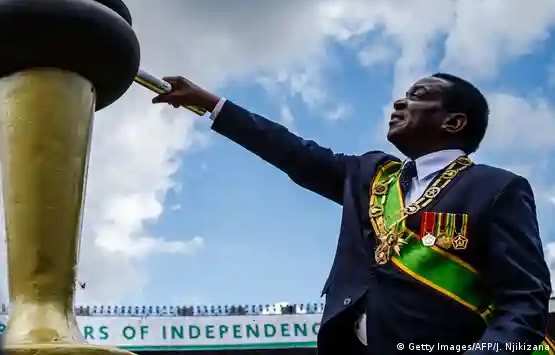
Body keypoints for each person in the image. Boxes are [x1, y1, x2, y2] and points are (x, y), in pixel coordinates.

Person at [153, 73, 552, 354]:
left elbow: (525, 300)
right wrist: (212, 104)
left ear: (454, 121)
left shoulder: (496, 188)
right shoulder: (371, 174)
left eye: (417, 95)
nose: (400, 102)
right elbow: (294, 152)